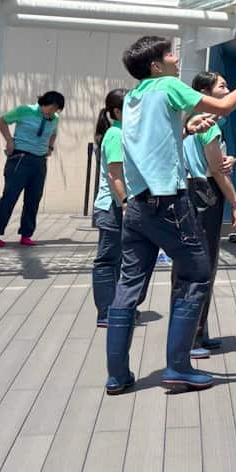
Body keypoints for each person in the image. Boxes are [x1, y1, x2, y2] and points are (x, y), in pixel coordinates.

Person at [104, 36, 236, 395]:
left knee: (128, 288)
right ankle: (179, 366)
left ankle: (117, 374)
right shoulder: (167, 85)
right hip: (170, 205)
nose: (176, 57)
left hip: (136, 206)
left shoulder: (133, 98)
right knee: (196, 275)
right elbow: (224, 106)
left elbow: (149, 139)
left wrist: (185, 128)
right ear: (155, 65)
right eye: (169, 54)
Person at [174, 71, 236, 360]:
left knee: (191, 265)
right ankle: (192, 335)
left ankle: (196, 332)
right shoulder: (209, 126)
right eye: (222, 85)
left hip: (188, 193)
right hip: (206, 197)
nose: (228, 89)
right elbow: (215, 168)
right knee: (203, 266)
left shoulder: (189, 123)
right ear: (205, 92)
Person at [0, 91, 64, 247]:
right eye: (52, 107)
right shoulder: (24, 110)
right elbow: (2, 121)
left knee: (33, 198)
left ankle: (26, 234)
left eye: (56, 109)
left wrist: (50, 146)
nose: (53, 111)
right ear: (44, 102)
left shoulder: (54, 119)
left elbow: (53, 133)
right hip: (20, 158)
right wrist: (9, 140)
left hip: (40, 161)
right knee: (10, 196)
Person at [92, 89, 127, 327]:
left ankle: (115, 308)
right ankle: (106, 311)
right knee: (107, 260)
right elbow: (115, 174)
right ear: (117, 112)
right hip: (112, 207)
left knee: (118, 260)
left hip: (117, 206)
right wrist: (125, 201)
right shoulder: (115, 135)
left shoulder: (122, 132)